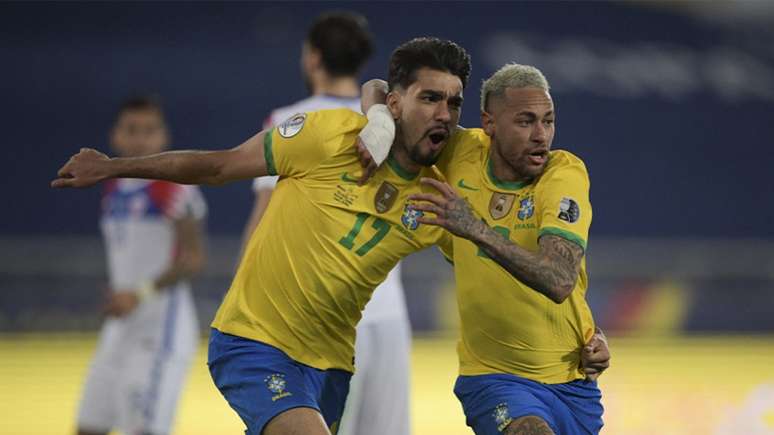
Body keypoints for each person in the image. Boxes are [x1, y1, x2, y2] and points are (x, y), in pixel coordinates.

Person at [54, 37, 471, 435]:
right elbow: (219, 166)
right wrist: (113, 167)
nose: (444, 114)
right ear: (396, 104)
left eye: (454, 103)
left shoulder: (440, 196)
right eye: (430, 98)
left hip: (331, 365)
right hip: (254, 342)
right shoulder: (327, 135)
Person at [408, 64, 606, 434]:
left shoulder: (563, 174)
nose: (540, 135)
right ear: (489, 123)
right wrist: (376, 119)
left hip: (571, 381)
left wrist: (475, 229)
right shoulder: (459, 153)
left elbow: (561, 279)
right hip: (492, 377)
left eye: (548, 121)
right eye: (525, 121)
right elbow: (382, 94)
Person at [241, 12, 412, 435]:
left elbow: (263, 219)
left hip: (319, 319)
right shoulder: (391, 124)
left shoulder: (290, 120)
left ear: (313, 57)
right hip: (387, 313)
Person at [75, 96, 207, 435]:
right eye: (132, 130)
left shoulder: (172, 188)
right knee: (89, 425)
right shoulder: (114, 187)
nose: (141, 139)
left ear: (163, 137)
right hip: (120, 327)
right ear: (115, 136)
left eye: (149, 131)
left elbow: (192, 258)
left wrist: (139, 293)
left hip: (159, 330)